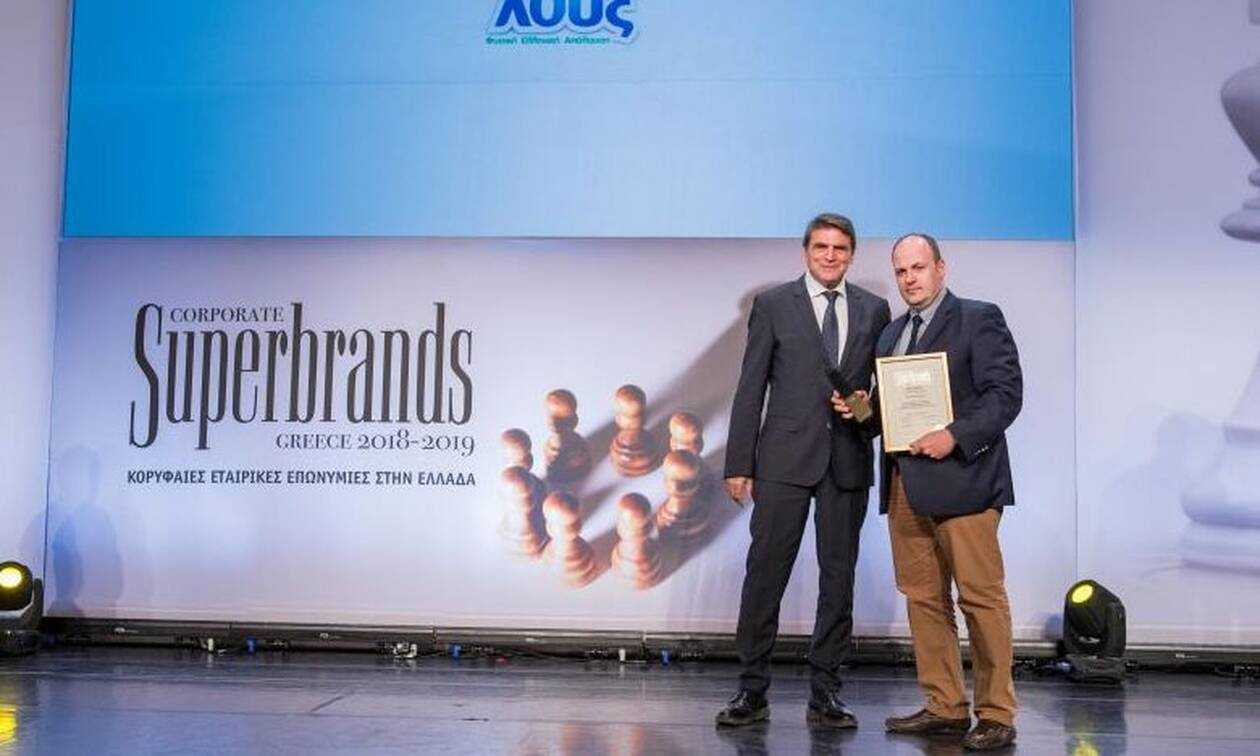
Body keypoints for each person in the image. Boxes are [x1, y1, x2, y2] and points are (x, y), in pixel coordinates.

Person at [834, 233, 1021, 751]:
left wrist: (954, 436)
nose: (909, 279)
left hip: (965, 482)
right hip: (906, 487)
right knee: (923, 600)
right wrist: (860, 410)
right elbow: (889, 418)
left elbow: (1005, 397)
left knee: (980, 599)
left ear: (941, 268)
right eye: (901, 271)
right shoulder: (891, 335)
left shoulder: (979, 318)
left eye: (918, 268)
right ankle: (944, 705)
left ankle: (996, 713)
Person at [717, 213, 891, 729]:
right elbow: (751, 387)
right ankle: (751, 691)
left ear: (852, 255)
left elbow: (881, 392)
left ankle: (826, 693)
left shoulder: (875, 309)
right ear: (806, 252)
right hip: (782, 461)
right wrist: (739, 463)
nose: (830, 255)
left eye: (840, 248)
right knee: (765, 574)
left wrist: (863, 408)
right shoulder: (773, 304)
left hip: (847, 460)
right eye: (821, 247)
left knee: (838, 579)